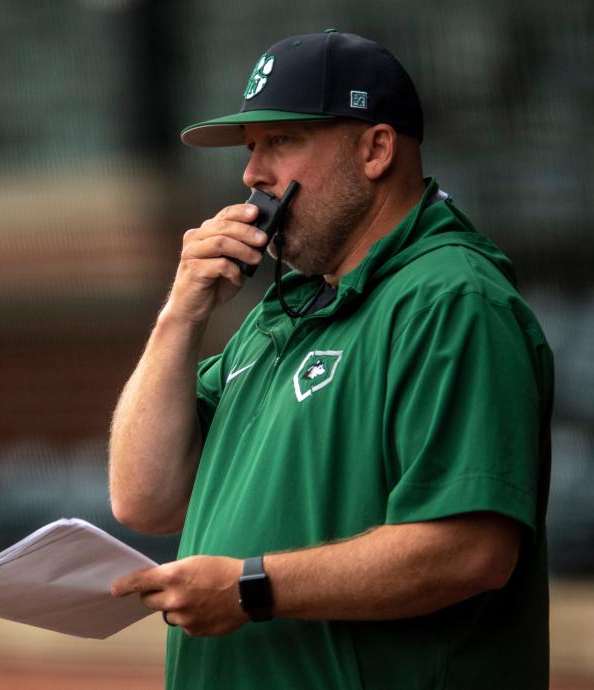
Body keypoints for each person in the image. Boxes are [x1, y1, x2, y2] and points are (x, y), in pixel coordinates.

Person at [108, 30, 554, 690]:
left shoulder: (449, 299)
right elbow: (144, 499)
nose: (251, 175)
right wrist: (181, 313)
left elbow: (469, 551)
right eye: (250, 148)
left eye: (280, 142)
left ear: (375, 149)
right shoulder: (280, 314)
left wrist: (249, 588)